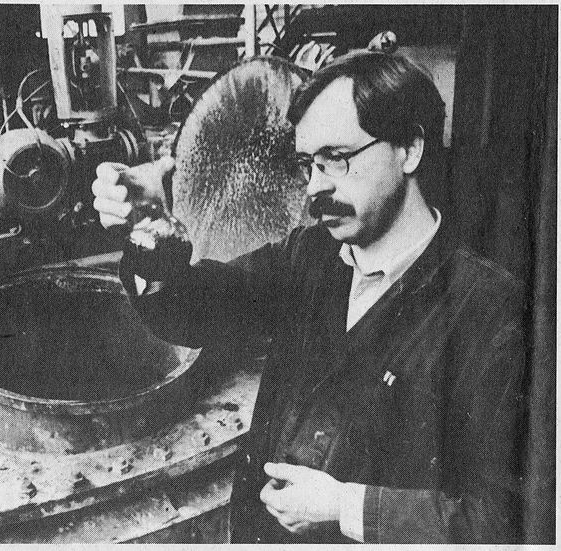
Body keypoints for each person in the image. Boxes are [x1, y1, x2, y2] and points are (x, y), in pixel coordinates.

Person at [92, 52, 526, 544]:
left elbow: (508, 522)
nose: (316, 187)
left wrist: (345, 508)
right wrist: (154, 236)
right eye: (308, 165)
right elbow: (196, 310)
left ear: (409, 149)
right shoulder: (311, 254)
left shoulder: (491, 311)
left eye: (337, 158)